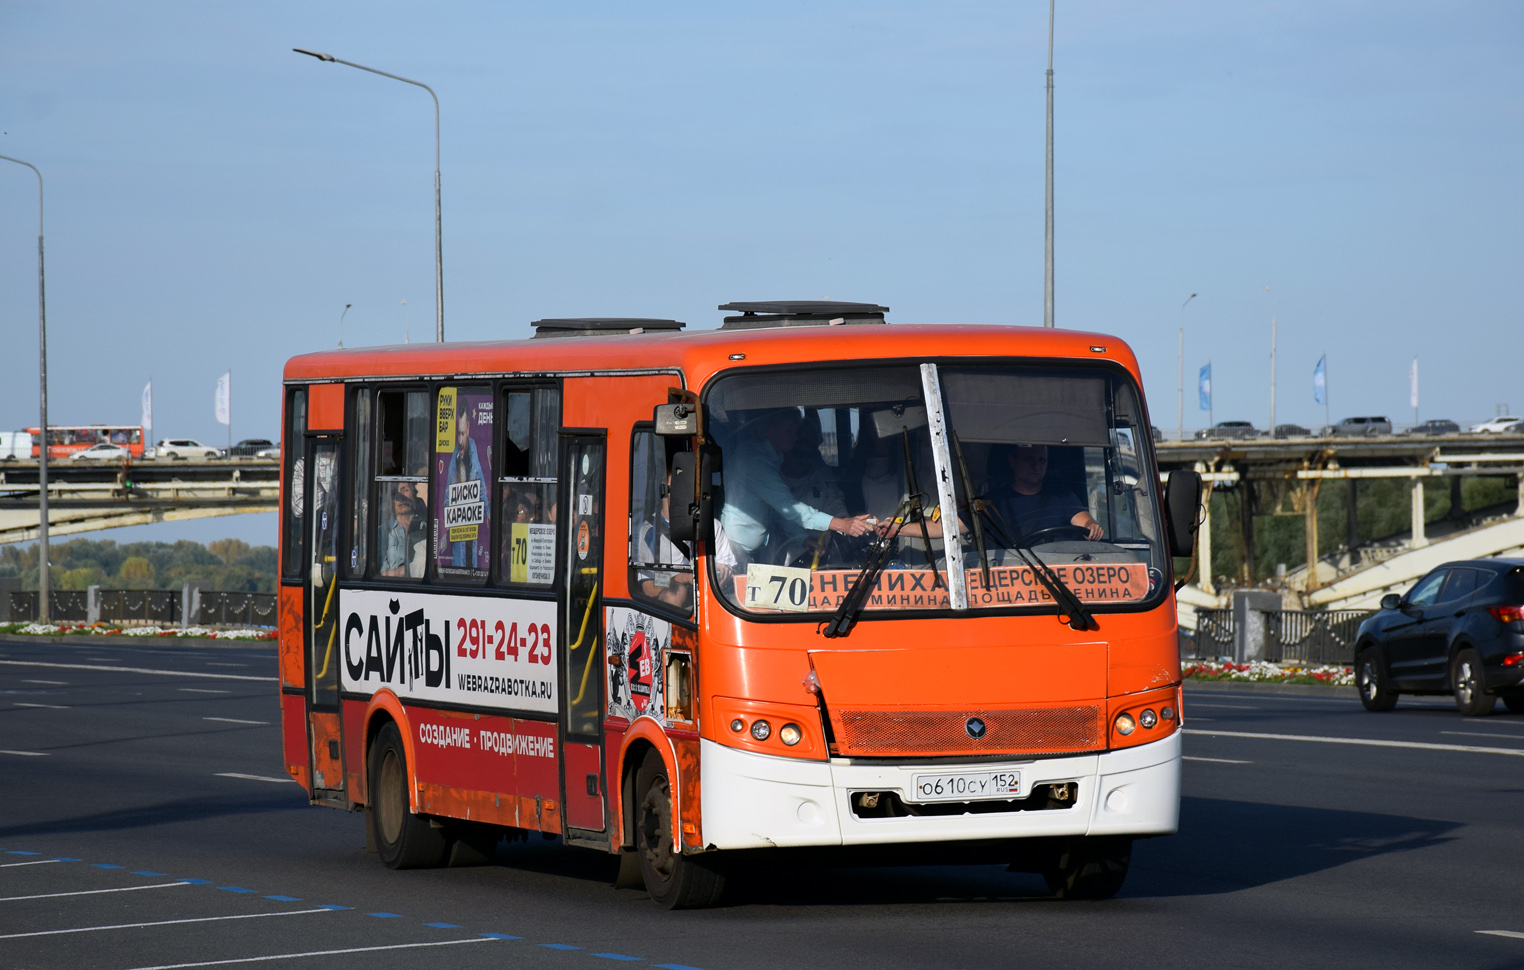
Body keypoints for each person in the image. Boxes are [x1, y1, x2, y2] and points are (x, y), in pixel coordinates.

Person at [719, 408, 873, 561]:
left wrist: (802, 538)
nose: (795, 437)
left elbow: (777, 510)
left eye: (796, 430)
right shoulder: (754, 461)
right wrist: (841, 524)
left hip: (750, 550)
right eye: (789, 430)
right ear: (769, 430)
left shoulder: (772, 458)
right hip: (736, 551)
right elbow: (787, 506)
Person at [990, 444, 1103, 541]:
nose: (1037, 466)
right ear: (1012, 462)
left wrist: (1091, 527)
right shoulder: (994, 502)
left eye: (1041, 460)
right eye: (1029, 459)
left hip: (1055, 562)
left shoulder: (1062, 496)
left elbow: (1085, 522)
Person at [444, 408, 486, 568]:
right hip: (458, 529)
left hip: (474, 527)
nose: (460, 440)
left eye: (463, 433)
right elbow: (447, 496)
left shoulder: (474, 450)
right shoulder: (454, 457)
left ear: (468, 427)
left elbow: (481, 484)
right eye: (458, 434)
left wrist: (487, 512)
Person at [379, 486, 425, 576]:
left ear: (414, 495)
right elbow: (378, 574)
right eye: (395, 493)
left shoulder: (428, 528)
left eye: (405, 490)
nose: (400, 498)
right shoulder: (382, 532)